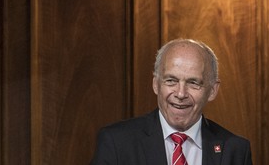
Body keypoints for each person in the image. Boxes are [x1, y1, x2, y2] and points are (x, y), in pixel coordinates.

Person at [90, 38, 253, 165]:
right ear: (156, 84)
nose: (181, 93)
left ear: (212, 90)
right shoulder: (117, 142)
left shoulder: (235, 150)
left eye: (193, 83)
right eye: (171, 80)